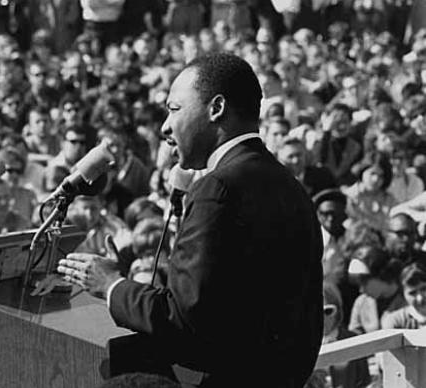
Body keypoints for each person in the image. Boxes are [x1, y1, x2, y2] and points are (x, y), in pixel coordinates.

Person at [58, 53, 324, 387]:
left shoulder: (218, 188)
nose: (165, 127)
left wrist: (110, 284)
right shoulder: (290, 185)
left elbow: (183, 319)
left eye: (174, 109)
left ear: (216, 109)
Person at [382, 261, 426, 329]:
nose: (420, 298)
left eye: (424, 289)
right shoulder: (395, 321)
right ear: (403, 295)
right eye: (412, 293)